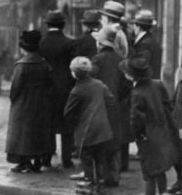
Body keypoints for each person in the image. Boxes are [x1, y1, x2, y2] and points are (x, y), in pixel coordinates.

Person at [121, 57, 182, 195]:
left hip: (147, 136)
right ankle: (162, 192)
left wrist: (138, 135)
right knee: (160, 169)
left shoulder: (136, 94)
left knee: (149, 171)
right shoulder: (158, 84)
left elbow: (136, 120)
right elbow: (168, 105)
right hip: (163, 132)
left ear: (131, 75)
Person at [87, 26, 131, 187]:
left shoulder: (96, 60)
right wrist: (118, 98)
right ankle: (113, 176)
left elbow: (89, 82)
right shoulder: (121, 61)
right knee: (113, 142)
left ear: (100, 43)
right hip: (115, 107)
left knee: (98, 141)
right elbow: (127, 86)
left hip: (98, 107)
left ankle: (99, 175)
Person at [5, 30, 54, 173]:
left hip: (24, 103)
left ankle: (23, 161)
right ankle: (38, 160)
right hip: (42, 102)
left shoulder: (22, 65)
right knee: (39, 131)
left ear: (24, 48)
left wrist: (13, 99)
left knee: (23, 133)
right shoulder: (44, 63)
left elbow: (15, 88)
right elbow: (50, 82)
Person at [64, 57, 115, 192]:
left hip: (86, 131)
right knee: (99, 156)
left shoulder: (77, 90)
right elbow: (111, 101)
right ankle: (99, 180)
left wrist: (76, 123)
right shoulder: (99, 84)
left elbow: (68, 113)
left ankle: (89, 180)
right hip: (103, 129)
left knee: (86, 156)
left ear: (74, 73)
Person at [38, 10, 76, 169]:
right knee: (67, 126)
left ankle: (46, 158)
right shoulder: (69, 44)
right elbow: (74, 68)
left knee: (48, 125)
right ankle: (67, 160)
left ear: (47, 25)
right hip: (66, 90)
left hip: (46, 90)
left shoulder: (41, 43)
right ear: (63, 25)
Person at [131, 9, 162, 79]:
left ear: (138, 27)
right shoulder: (152, 41)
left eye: (134, 25)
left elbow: (141, 68)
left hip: (144, 85)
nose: (133, 28)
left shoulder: (143, 44)